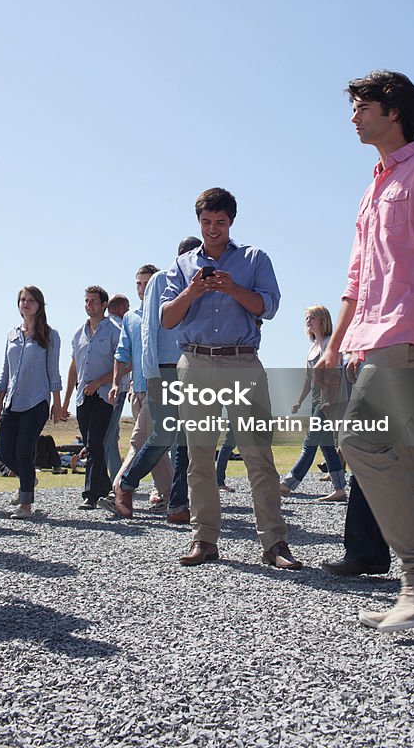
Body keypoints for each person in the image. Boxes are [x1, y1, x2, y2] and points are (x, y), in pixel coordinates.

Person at [317, 71, 414, 631]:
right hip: (369, 338)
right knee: (411, 463)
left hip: (408, 335)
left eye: (361, 107)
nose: (353, 117)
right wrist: (335, 345)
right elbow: (357, 279)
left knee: (357, 441)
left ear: (393, 111)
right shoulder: (372, 186)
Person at [161, 186, 301, 569]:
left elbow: (267, 307)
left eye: (220, 222)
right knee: (199, 457)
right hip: (196, 364)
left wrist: (233, 287)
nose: (213, 229)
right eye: (206, 222)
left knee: (258, 455)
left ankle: (275, 544)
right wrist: (192, 291)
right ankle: (204, 539)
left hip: (243, 363)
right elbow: (167, 318)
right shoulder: (182, 265)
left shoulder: (255, 258)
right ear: (198, 222)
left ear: (232, 221)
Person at [111, 237, 201, 522]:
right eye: (191, 253)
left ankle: (177, 505)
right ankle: (126, 485)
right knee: (163, 434)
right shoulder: (162, 281)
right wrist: (150, 374)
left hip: (194, 370)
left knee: (186, 441)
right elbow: (149, 328)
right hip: (164, 369)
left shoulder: (204, 284)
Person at [0, 286, 63, 519]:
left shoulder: (50, 335)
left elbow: (53, 371)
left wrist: (57, 403)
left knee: (23, 451)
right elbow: (6, 371)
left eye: (31, 300)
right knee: (4, 453)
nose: (26, 303)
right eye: (22, 299)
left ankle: (25, 505)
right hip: (12, 402)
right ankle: (28, 479)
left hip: (36, 402)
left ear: (39, 305)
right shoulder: (11, 334)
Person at [110, 267, 172, 507]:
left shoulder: (166, 313)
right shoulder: (131, 317)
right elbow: (122, 353)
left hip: (160, 387)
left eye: (147, 283)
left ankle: (117, 489)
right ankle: (171, 497)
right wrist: (116, 382)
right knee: (155, 447)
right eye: (139, 284)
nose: (143, 288)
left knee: (138, 442)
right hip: (137, 391)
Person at [280, 306, 347, 502]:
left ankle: (287, 484)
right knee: (326, 445)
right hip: (316, 401)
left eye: (312, 318)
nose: (308, 321)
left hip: (328, 402)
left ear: (323, 320)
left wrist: (329, 401)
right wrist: (298, 401)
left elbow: (336, 376)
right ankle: (340, 489)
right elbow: (308, 379)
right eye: (307, 318)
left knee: (309, 442)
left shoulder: (329, 344)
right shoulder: (312, 348)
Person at [62, 286, 120, 509]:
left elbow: (124, 364)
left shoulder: (115, 331)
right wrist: (65, 400)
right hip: (82, 398)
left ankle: (90, 495)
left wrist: (99, 382)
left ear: (104, 304)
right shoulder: (79, 334)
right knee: (91, 444)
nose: (89, 305)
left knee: (95, 443)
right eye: (87, 301)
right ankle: (106, 489)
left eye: (94, 301)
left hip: (104, 396)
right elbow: (74, 367)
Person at [104, 294, 130, 478]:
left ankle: (114, 475)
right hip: (117, 387)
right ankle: (116, 477)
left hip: (98, 388)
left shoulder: (99, 327)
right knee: (109, 436)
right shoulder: (121, 328)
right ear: (121, 309)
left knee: (111, 435)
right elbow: (126, 359)